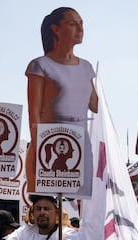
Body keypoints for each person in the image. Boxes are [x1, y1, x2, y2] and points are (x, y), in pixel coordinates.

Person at [25, 7, 98, 197]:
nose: (80, 29)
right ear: (55, 29)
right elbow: (34, 114)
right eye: (73, 24)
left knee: (80, 201)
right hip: (49, 142)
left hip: (80, 142)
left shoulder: (87, 67)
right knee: (48, 202)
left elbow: (96, 106)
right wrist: (39, 148)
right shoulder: (39, 65)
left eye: (82, 24)